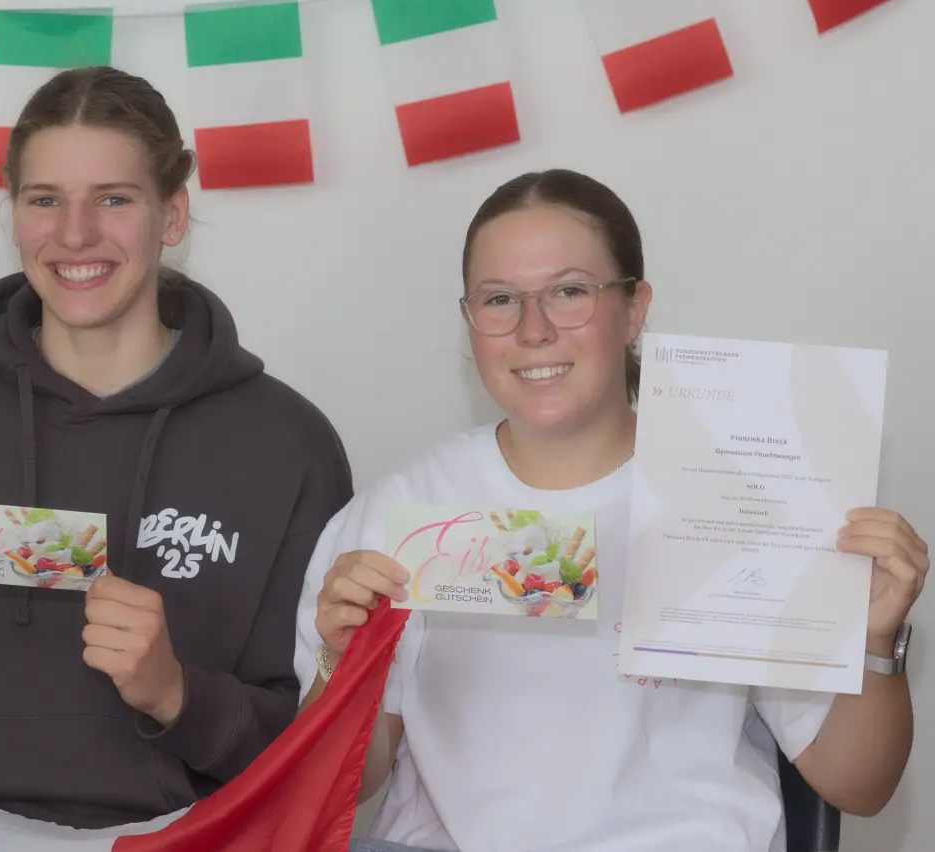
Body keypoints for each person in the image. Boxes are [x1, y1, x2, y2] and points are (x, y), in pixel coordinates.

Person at [296, 169, 925, 852]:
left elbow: (858, 786)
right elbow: (339, 791)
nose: (533, 330)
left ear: (634, 309)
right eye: (500, 299)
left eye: (569, 292)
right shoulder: (403, 509)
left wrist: (869, 643)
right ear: (469, 322)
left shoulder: (733, 491)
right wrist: (340, 663)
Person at [0, 66, 352, 828]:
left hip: (179, 843)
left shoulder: (287, 444)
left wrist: (177, 694)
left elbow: (316, 751)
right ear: (12, 214)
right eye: (45, 200)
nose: (75, 234)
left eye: (113, 198)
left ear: (172, 214)